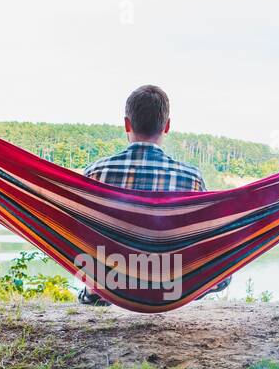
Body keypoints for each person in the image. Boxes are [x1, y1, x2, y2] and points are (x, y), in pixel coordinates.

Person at [78, 85, 228, 305]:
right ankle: (183, 289)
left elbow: (81, 236)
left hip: (112, 281)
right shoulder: (191, 178)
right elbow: (204, 240)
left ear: (126, 124)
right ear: (167, 126)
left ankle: (95, 290)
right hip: (172, 284)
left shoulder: (96, 173)